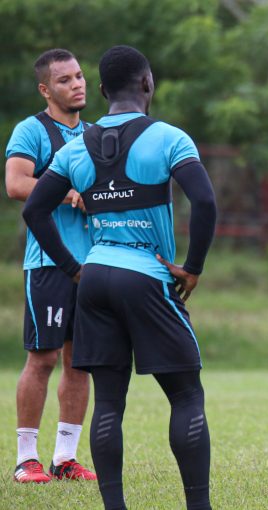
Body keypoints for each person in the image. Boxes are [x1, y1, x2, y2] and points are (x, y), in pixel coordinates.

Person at [22, 45, 217, 510]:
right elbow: (205, 203)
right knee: (187, 394)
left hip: (95, 279)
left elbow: (34, 208)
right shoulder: (169, 138)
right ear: (148, 84)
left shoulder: (73, 148)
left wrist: (73, 270)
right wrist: (193, 268)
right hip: (146, 276)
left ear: (103, 90)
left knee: (110, 400)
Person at [5, 48, 95, 483]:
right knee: (42, 359)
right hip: (48, 264)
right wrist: (65, 191)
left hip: (94, 265)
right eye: (64, 80)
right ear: (46, 89)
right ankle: (26, 459)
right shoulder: (32, 130)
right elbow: (16, 183)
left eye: (79, 76)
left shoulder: (96, 134)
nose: (76, 84)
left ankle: (65, 458)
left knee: (81, 362)